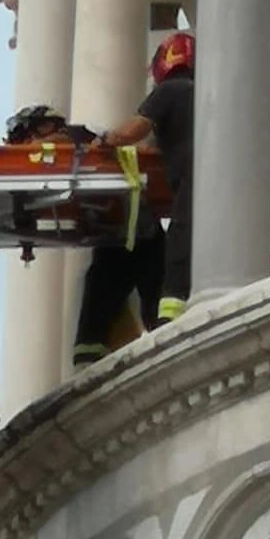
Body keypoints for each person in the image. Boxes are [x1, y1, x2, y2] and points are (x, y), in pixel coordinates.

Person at [4, 105, 166, 367]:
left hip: (138, 228)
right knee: (103, 291)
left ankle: (146, 337)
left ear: (44, 126)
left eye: (29, 136)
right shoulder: (43, 161)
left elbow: (69, 143)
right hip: (117, 233)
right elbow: (21, 206)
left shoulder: (80, 135)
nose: (29, 144)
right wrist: (26, 242)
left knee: (146, 293)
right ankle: (90, 353)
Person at [93, 31, 196, 325]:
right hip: (206, 177)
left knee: (181, 237)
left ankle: (170, 313)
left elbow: (133, 131)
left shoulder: (170, 91)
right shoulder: (199, 92)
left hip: (190, 179)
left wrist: (107, 139)